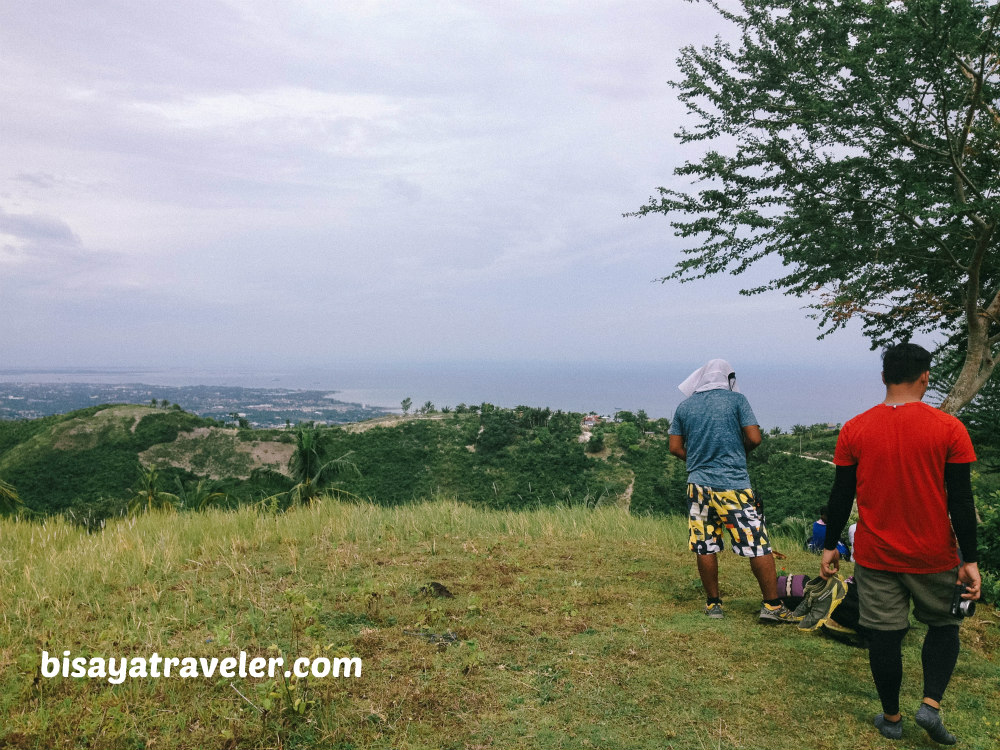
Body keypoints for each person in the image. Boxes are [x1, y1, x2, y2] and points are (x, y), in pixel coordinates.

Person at [820, 343, 980, 744]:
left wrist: (830, 545)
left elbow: (841, 495)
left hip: (876, 556)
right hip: (934, 555)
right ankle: (930, 704)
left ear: (883, 377)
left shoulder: (855, 428)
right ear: (925, 376)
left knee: (886, 636)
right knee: (944, 626)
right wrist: (971, 559)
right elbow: (961, 500)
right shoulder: (949, 428)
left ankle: (891, 718)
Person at [668, 358, 798, 624]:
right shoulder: (737, 401)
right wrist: (740, 454)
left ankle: (713, 604)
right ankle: (772, 606)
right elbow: (754, 437)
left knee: (704, 545)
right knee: (757, 544)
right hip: (733, 485)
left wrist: (696, 463)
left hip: (698, 486)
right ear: (727, 379)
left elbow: (674, 447)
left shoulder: (685, 406)